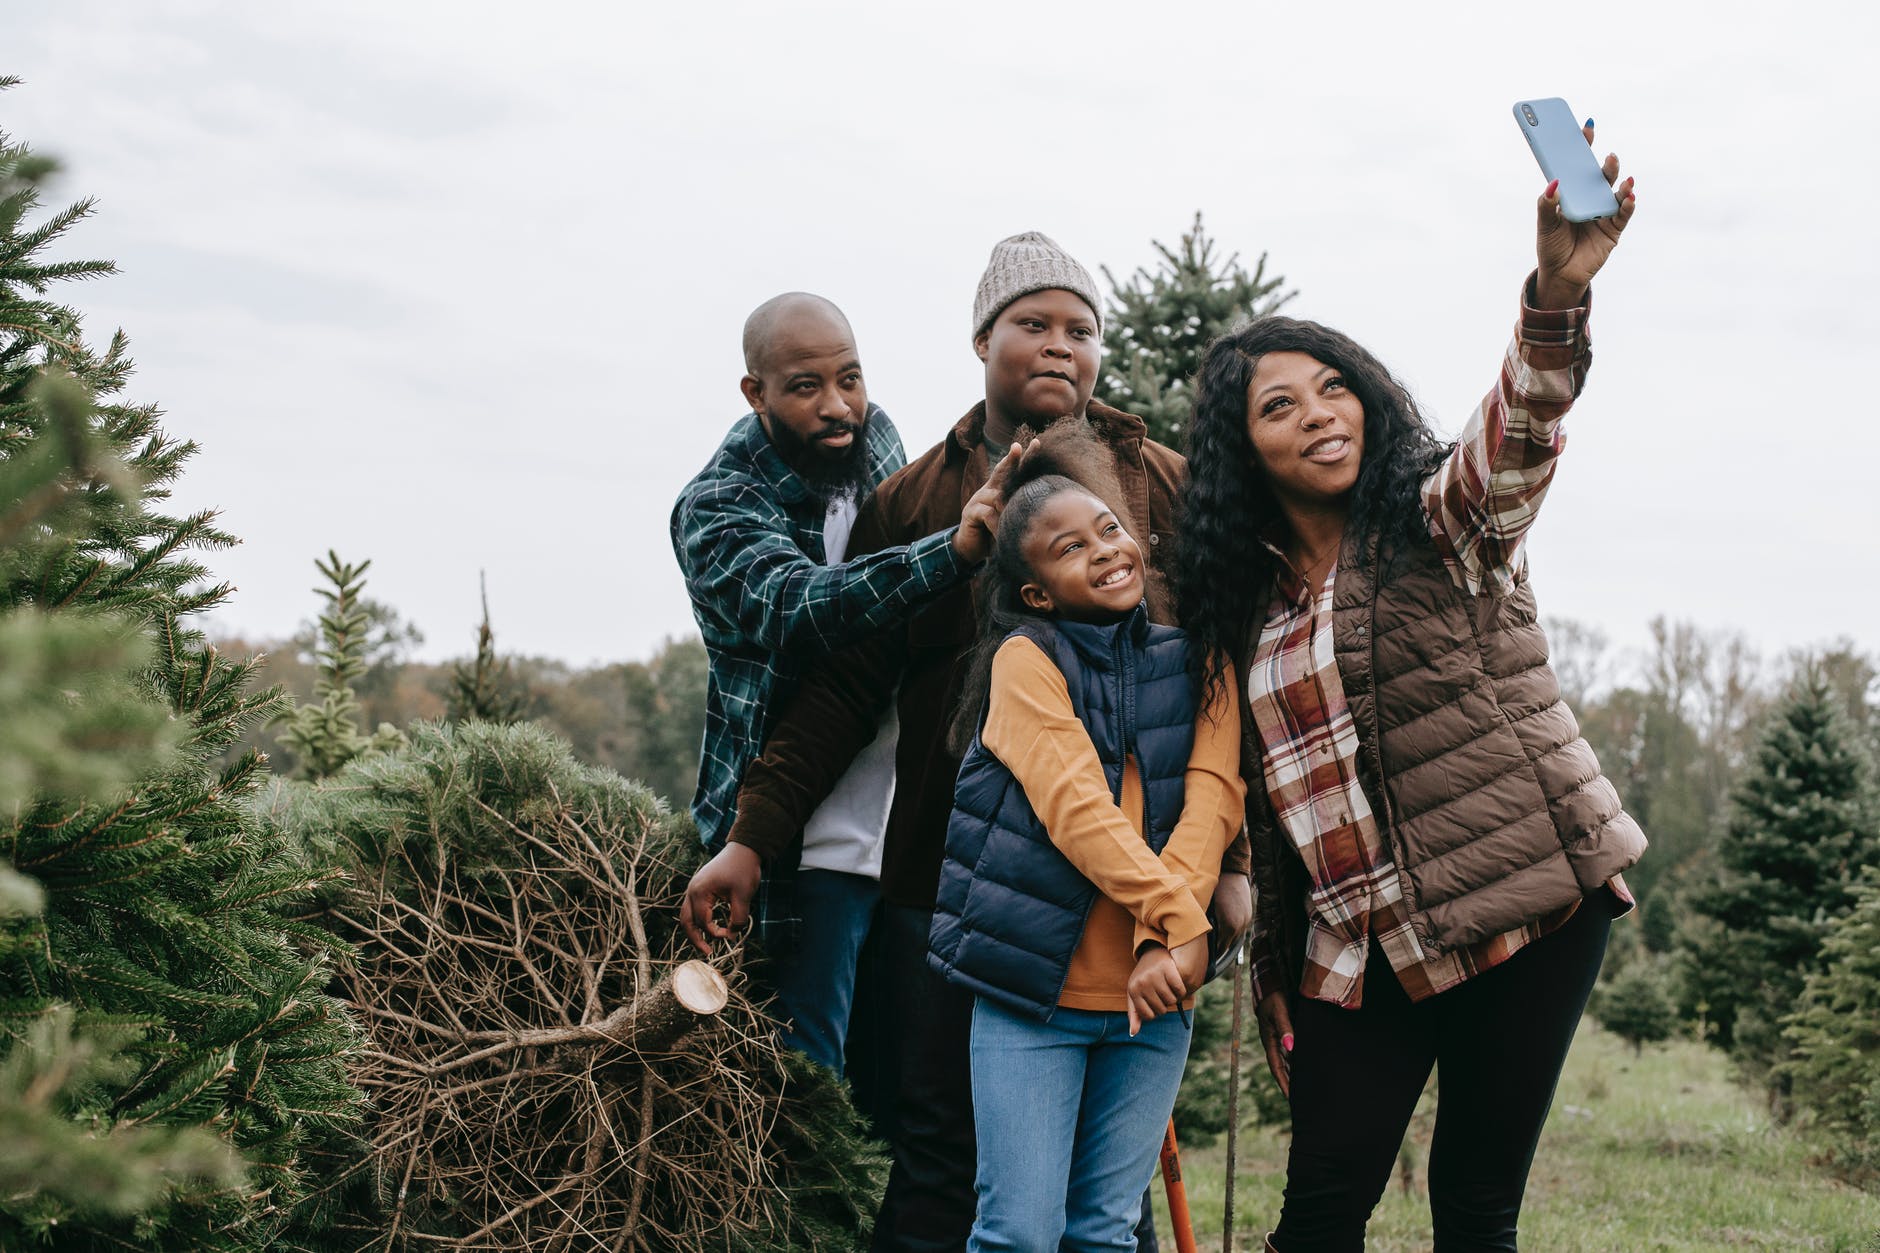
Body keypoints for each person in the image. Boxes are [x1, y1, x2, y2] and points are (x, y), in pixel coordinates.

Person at [716, 233, 1252, 1251]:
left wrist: (1229, 863)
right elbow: (841, 690)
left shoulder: (1164, 489)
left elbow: (1221, 691)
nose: (1058, 346)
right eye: (1031, 324)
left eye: (1080, 329)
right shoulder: (915, 500)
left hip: (1133, 891)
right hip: (953, 890)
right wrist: (753, 833)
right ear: (981, 339)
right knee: (938, 1163)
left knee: (1108, 1197)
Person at [1174, 130, 1644, 1252]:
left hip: (1521, 901)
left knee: (1472, 1204)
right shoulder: (1248, 612)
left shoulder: (1438, 524)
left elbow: (1515, 434)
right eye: (1279, 407)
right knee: (1321, 1202)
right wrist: (1279, 965)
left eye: (1333, 388)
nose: (1319, 414)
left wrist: (1553, 296)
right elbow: (1282, 814)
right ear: (1243, 451)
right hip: (1360, 945)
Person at [671, 291, 1011, 1077]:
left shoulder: (876, 437)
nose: (839, 406)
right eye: (805, 387)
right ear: (755, 393)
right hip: (799, 847)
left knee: (905, 1084)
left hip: (904, 833)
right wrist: (946, 554)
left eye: (850, 378)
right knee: (806, 1084)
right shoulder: (716, 507)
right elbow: (805, 608)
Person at [926, 425, 1245, 1251]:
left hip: (1155, 1005)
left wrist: (1165, 943)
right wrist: (1184, 923)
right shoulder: (1026, 660)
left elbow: (1211, 804)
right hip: (1035, 997)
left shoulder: (1201, 662)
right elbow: (1078, 810)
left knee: (1103, 1233)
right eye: (1070, 547)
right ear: (1035, 591)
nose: (1106, 550)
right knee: (1019, 1233)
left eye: (1110, 528)